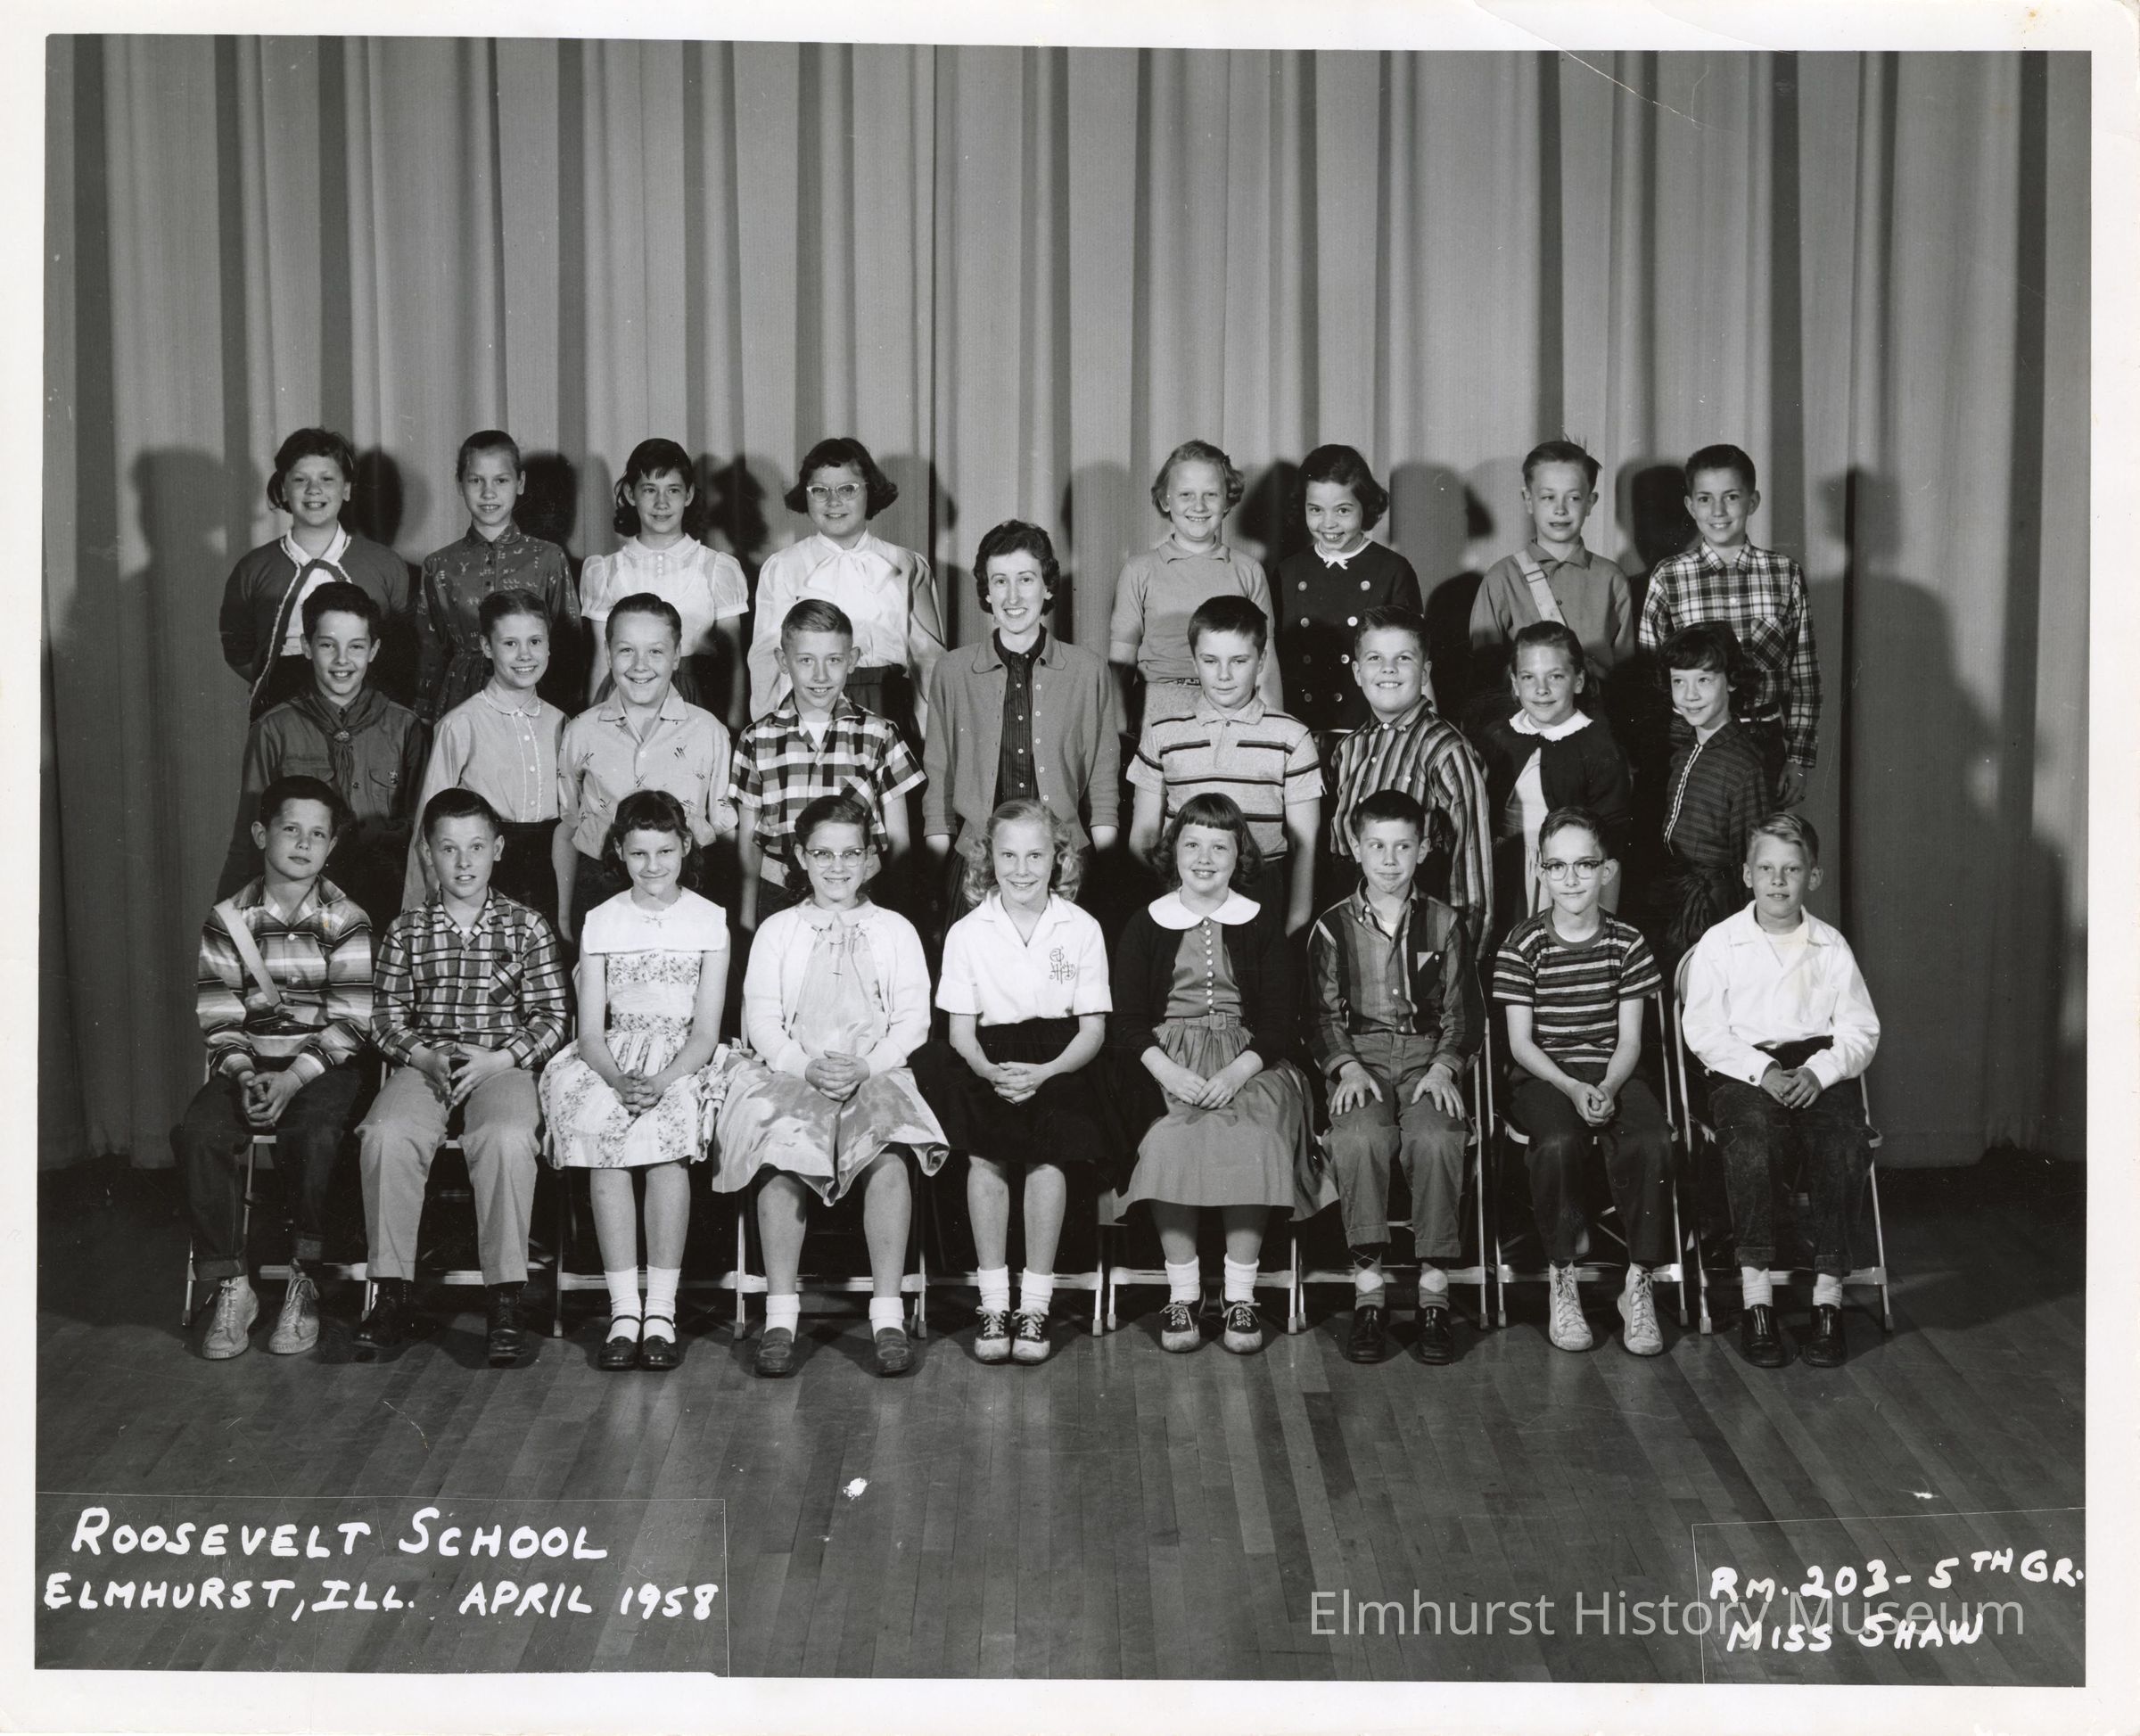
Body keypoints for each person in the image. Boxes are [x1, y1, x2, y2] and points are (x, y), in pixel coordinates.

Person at [713, 793, 947, 1378]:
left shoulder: (894, 930)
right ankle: (781, 1316)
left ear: (870, 857)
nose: (837, 866)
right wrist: (803, 1065)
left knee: (888, 1157)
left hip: (874, 1070)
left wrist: (868, 1065)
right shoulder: (778, 930)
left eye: (850, 853)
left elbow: (913, 1020)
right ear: (801, 856)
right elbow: (763, 1020)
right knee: (780, 1157)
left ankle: (888, 1315)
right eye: (823, 853)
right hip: (795, 1071)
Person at [356, 789, 570, 1367]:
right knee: (385, 1134)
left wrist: (502, 1060)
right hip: (427, 1062)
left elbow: (553, 1018)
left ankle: (505, 1297)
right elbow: (386, 1019)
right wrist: (424, 1057)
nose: (464, 861)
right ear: (428, 854)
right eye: (448, 848)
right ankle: (391, 1291)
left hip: (500, 1064)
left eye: (476, 846)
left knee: (505, 1137)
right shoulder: (407, 930)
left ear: (497, 849)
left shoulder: (526, 926)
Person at [1109, 794, 1328, 1356]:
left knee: (1253, 1137)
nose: (1204, 859)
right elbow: (1127, 1021)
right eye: (1192, 844)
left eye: (1219, 847)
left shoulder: (1259, 922)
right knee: (1168, 1139)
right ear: (1173, 852)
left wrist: (1235, 1073)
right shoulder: (1145, 923)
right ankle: (1183, 1294)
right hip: (1164, 1058)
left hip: (1249, 1058)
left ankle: (1239, 1295)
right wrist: (1168, 1071)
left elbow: (1278, 1023)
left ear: (1239, 856)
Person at [178, 777, 373, 1362]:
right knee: (199, 1133)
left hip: (320, 1066)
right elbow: (219, 1014)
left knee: (314, 1133)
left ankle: (303, 1277)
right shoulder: (228, 919)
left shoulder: (347, 919)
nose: (304, 843)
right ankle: (231, 1284)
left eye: (318, 834)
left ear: (332, 845)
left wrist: (292, 1078)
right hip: (249, 1062)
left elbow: (352, 1022)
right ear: (262, 834)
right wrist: (244, 1074)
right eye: (291, 829)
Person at [911, 800, 1113, 1365]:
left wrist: (1045, 1073)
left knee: (1049, 1155)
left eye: (1035, 856)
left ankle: (1035, 1306)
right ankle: (995, 1303)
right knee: (986, 1156)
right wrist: (990, 1072)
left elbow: (1093, 1031)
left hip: (1061, 1059)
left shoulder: (1082, 928)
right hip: (988, 1057)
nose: (1022, 870)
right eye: (1008, 856)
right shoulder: (967, 932)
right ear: (989, 860)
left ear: (1057, 859)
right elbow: (960, 1032)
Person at [539, 792, 731, 1373]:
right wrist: (619, 1080)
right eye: (639, 852)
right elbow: (590, 1031)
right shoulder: (602, 920)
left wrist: (664, 1080)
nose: (652, 865)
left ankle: (661, 1313)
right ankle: (625, 1311)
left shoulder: (709, 919)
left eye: (665, 851)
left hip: (683, 1058)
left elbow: (705, 1031)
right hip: (612, 1056)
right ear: (620, 852)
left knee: (666, 1146)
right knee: (607, 1140)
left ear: (685, 847)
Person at [1680, 813, 1880, 1370]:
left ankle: (1827, 1301)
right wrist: (1760, 1069)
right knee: (1751, 1139)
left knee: (1842, 1142)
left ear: (1812, 877)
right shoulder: (1721, 943)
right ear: (1747, 875)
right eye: (1766, 868)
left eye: (1791, 870)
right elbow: (1703, 1029)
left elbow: (1861, 1030)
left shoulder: (1829, 945)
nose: (1777, 881)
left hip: (1817, 1067)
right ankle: (1758, 1300)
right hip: (1744, 1069)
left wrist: (1820, 1070)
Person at [1306, 791, 1481, 1367]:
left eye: (1402, 846)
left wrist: (1445, 1066)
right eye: (1377, 846)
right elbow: (1321, 1015)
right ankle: (1369, 1290)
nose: (1389, 860)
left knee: (1436, 1136)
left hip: (1428, 1058)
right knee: (1360, 1137)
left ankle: (1434, 1290)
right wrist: (1347, 1066)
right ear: (1356, 848)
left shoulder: (1445, 922)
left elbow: (1464, 1012)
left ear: (1423, 849)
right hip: (1362, 1058)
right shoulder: (1332, 926)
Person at [1491, 806, 1673, 1357]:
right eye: (1558, 866)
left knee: (1651, 1139)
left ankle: (1638, 1282)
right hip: (1546, 1075)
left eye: (1585, 865)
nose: (1571, 879)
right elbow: (1521, 1045)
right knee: (1558, 1141)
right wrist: (1572, 1088)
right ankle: (1562, 1275)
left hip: (1614, 1071)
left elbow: (1630, 1041)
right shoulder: (1522, 944)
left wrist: (1609, 1088)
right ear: (1540, 871)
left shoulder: (1628, 942)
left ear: (1607, 870)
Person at [921, 521, 1122, 925]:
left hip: (1064, 860)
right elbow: (939, 776)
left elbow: (1103, 777)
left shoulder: (1087, 669)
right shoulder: (953, 670)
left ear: (1047, 587)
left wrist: (1105, 867)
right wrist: (937, 874)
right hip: (978, 859)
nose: (1012, 596)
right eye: (1000, 581)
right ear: (987, 592)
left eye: (1026, 579)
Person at [218, 581, 427, 934]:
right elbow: (248, 837)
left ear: (374, 650)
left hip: (386, 907)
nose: (342, 660)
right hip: (301, 912)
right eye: (328, 645)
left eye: (356, 646)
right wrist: (231, 928)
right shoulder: (274, 730)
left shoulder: (405, 727)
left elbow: (423, 833)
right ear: (306, 647)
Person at [1637, 443, 1821, 806]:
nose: (1718, 511)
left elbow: (1805, 677)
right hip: (1690, 739)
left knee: (1760, 836)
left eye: (1731, 497)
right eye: (1705, 499)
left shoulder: (1785, 574)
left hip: (1763, 738)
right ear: (1690, 506)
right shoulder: (1669, 577)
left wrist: (1798, 758)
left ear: (1752, 502)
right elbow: (1650, 678)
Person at [1126, 596, 1322, 932]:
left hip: (1261, 895)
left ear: (1261, 661)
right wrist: (1156, 913)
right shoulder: (1162, 733)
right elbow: (1143, 835)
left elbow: (1304, 845)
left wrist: (1295, 920)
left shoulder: (1292, 737)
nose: (1224, 675)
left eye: (1239, 661)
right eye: (1210, 660)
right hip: (1180, 892)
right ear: (1194, 661)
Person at [730, 599, 924, 932]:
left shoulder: (879, 734)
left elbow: (899, 840)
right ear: (783, 661)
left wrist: (899, 913)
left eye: (833, 660)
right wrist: (748, 917)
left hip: (861, 891)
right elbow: (749, 843)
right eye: (806, 660)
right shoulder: (756, 739)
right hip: (780, 895)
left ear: (852, 660)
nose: (820, 675)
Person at [555, 593, 737, 942]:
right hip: (601, 889)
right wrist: (565, 913)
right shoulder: (580, 730)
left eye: (655, 651)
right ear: (608, 654)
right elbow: (568, 826)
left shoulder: (709, 731)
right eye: (626, 650)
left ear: (677, 655)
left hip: (687, 890)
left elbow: (724, 828)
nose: (640, 665)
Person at [746, 436, 947, 741]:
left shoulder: (907, 564)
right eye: (820, 490)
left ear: (870, 490)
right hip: (810, 708)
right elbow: (766, 658)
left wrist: (930, 735)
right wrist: (768, 730)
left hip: (888, 704)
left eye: (847, 489)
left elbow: (928, 658)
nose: (833, 501)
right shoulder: (784, 566)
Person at [1323, 606, 1493, 960]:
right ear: (1357, 672)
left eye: (1403, 658)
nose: (1388, 669)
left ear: (1425, 672)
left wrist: (1461, 961)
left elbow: (1472, 861)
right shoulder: (1348, 749)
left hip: (1418, 929)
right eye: (1375, 658)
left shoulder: (1445, 750)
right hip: (1351, 922)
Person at [219, 426, 412, 719]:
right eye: (300, 480)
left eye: (327, 479)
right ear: (283, 489)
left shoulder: (386, 565)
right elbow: (239, 652)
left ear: (346, 489)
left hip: (368, 708)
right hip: (284, 707)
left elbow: (401, 646)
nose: (314, 490)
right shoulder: (253, 569)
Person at [405, 591, 569, 929]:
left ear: (550, 646)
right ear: (486, 646)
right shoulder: (460, 724)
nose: (525, 655)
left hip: (550, 875)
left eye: (535, 641)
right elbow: (428, 824)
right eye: (509, 643)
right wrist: (421, 913)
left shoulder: (563, 723)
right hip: (484, 875)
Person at [1469, 620, 1632, 946]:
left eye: (1555, 676)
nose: (1541, 689)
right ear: (1515, 683)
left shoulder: (1599, 748)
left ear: (1579, 680)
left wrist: (1601, 930)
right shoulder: (1496, 737)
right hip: (1502, 873)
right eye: (1529, 677)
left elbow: (1611, 845)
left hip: (1563, 880)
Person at [1108, 439, 1284, 731]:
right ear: (1166, 500)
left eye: (1211, 494)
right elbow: (1120, 664)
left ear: (1227, 500)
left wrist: (1275, 735)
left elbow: (1266, 665)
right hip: (1157, 709)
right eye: (1186, 494)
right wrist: (1118, 737)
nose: (1199, 506)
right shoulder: (1139, 570)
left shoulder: (1248, 570)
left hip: (1232, 708)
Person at [581, 437, 750, 729]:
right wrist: (591, 731)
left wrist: (733, 728)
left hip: (696, 700)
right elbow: (601, 661)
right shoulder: (604, 571)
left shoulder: (716, 568)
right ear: (631, 494)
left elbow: (734, 662)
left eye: (673, 490)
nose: (662, 503)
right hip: (625, 701)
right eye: (650, 490)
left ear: (689, 495)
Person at [414, 429, 579, 723]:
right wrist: (424, 714)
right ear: (460, 484)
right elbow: (430, 650)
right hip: (460, 698)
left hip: (533, 696)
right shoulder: (439, 565)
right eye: (476, 480)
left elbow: (568, 645)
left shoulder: (548, 558)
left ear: (520, 483)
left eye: (501, 480)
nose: (488, 493)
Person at [1271, 445, 1426, 736]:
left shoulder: (1392, 569)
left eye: (1342, 510)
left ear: (1365, 506)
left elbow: (1413, 659)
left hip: (1371, 729)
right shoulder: (1287, 572)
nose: (1328, 523)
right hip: (1301, 729)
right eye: (1316, 510)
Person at [1467, 439, 1636, 699]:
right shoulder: (1501, 578)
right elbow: (1484, 672)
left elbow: (1626, 670)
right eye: (1548, 497)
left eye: (1574, 498)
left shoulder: (1611, 578)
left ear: (1590, 503)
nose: (1560, 509)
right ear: (1528, 500)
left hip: (1596, 714)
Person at [1649, 623, 1766, 977]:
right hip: (1674, 896)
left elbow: (1755, 860)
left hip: (1714, 910)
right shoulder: (1685, 749)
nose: (1690, 695)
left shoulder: (1744, 766)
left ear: (1731, 681)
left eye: (1704, 680)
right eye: (1679, 681)